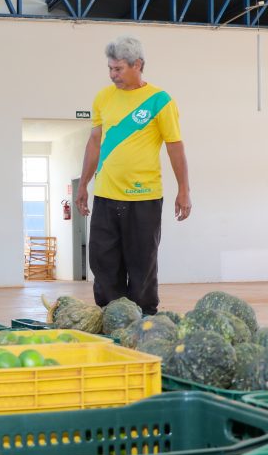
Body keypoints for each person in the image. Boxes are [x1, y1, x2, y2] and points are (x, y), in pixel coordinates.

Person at [75, 36, 191, 315]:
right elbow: (94, 143)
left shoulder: (160, 101)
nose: (113, 75)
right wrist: (83, 184)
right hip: (105, 195)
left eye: (119, 69)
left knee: (142, 264)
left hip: (144, 197)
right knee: (103, 262)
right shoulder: (103, 97)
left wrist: (184, 190)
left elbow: (175, 147)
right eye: (110, 69)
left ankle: (144, 318)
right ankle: (111, 316)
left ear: (137, 65)